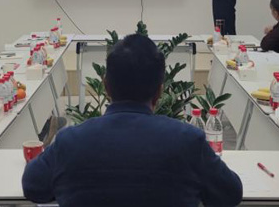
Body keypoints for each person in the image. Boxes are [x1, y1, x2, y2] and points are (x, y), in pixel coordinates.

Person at [22, 34, 243, 207]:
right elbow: (230, 194)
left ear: (106, 87)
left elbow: (32, 186)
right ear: (159, 91)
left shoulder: (70, 141)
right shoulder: (188, 141)